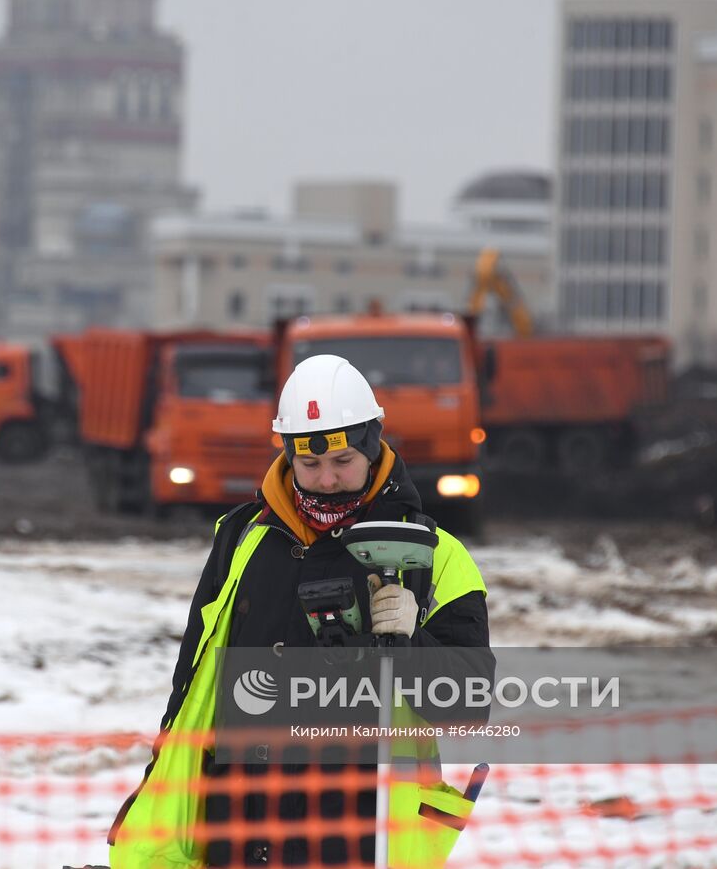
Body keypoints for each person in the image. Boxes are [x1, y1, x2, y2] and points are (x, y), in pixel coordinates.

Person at [109, 355, 492, 867]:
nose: (327, 480)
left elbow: (469, 705)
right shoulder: (241, 539)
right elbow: (191, 685)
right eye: (310, 465)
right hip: (239, 825)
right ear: (288, 455)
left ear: (374, 448)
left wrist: (411, 642)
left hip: (357, 833)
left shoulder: (433, 556)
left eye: (343, 463)